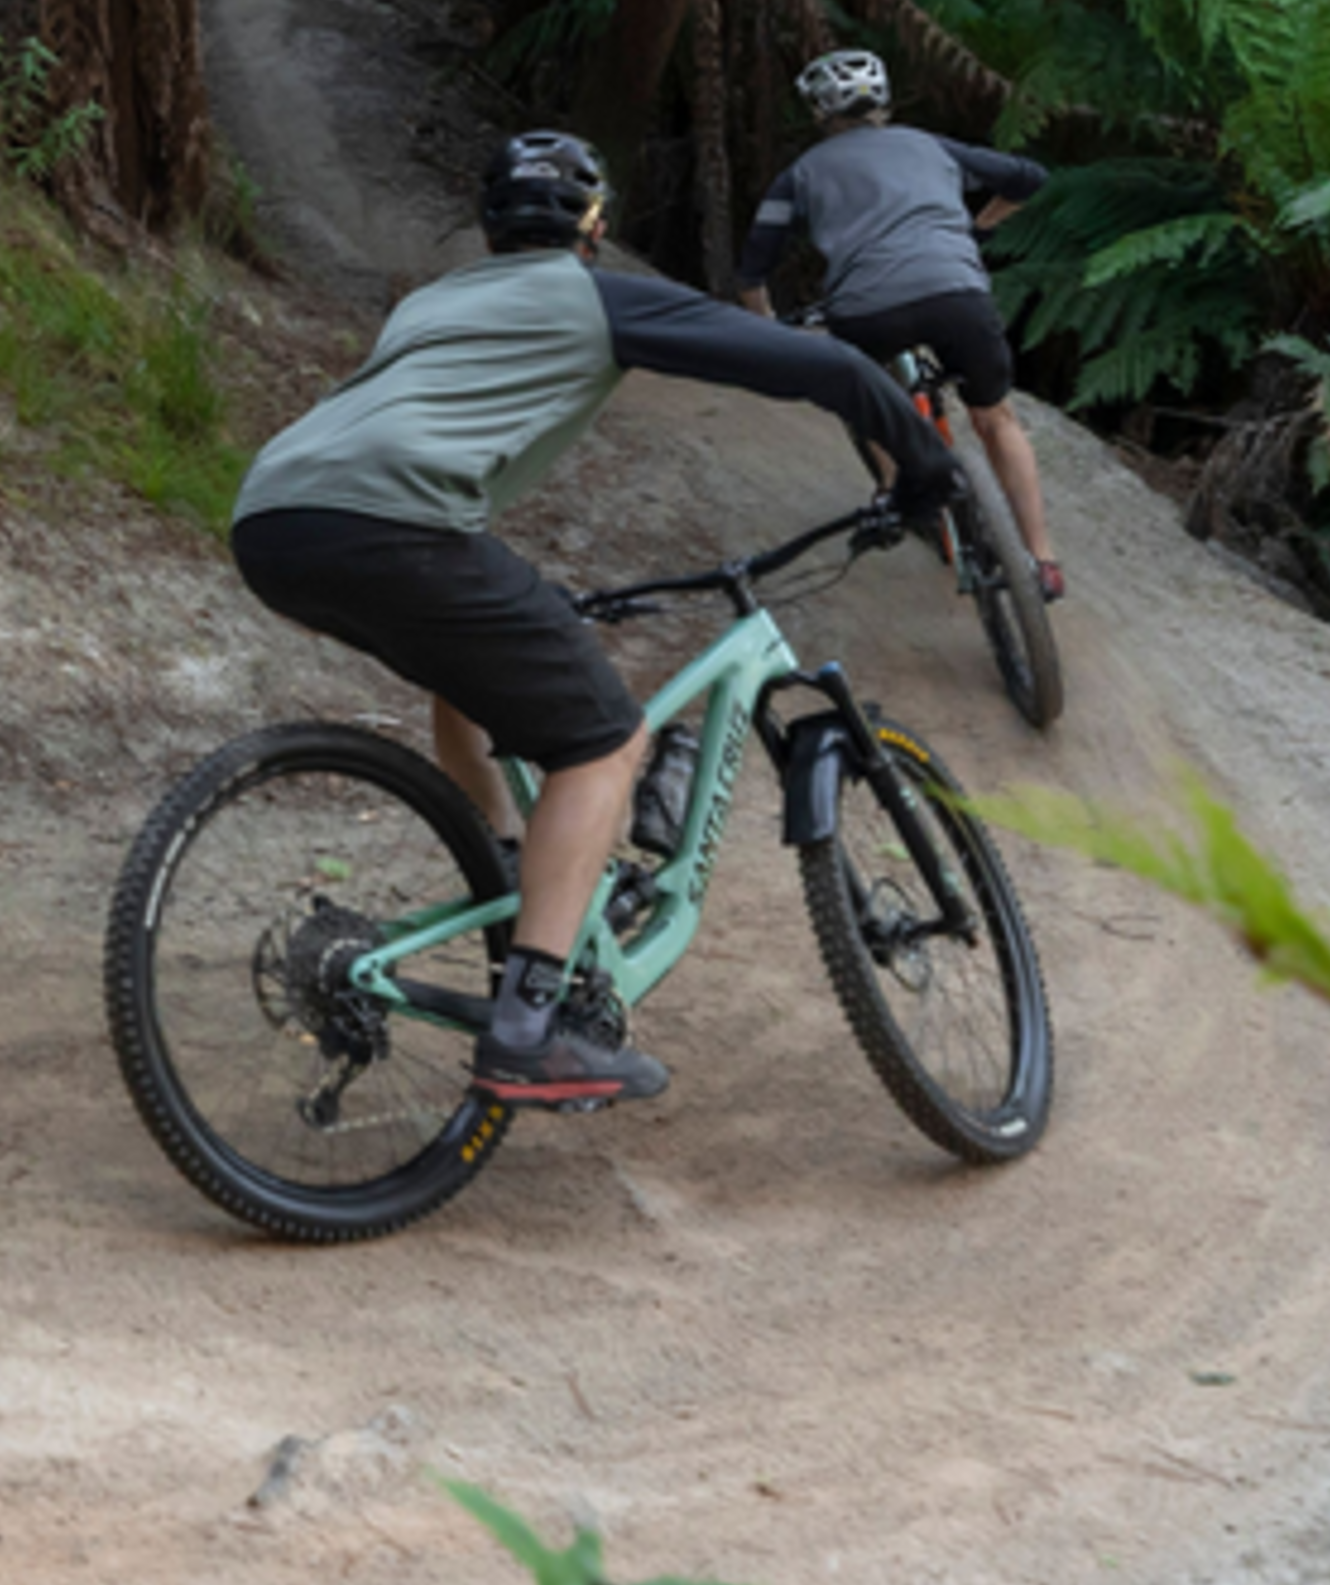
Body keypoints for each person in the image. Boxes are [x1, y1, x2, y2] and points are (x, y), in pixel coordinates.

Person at [228, 131, 959, 1108]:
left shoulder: (426, 304)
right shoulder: (595, 294)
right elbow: (818, 367)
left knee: (472, 669)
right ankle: (532, 1026)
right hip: (396, 522)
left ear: (491, 228)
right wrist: (927, 467)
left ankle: (508, 871)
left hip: (273, 517)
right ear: (594, 225)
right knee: (607, 742)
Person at [735, 49, 1063, 600]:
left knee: (862, 391)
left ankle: (892, 489)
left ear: (820, 111)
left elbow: (751, 270)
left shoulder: (801, 175)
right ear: (884, 100)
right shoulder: (929, 145)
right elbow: (1029, 178)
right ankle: (1043, 557)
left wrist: (768, 334)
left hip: (867, 308)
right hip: (958, 294)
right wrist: (976, 232)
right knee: (997, 418)